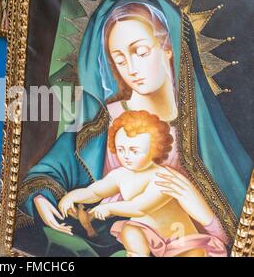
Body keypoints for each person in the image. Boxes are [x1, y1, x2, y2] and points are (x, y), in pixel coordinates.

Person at [15, 0, 252, 256]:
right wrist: (41, 197)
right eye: (119, 58)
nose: (131, 68)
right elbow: (51, 172)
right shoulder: (106, 120)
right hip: (112, 236)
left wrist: (198, 205)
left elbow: (234, 227)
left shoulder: (202, 128)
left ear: (168, 48)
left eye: (140, 51)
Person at [58, 110, 227, 257]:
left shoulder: (163, 177)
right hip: (148, 234)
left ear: (155, 149)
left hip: (181, 238)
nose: (125, 156)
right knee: (130, 230)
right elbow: (95, 192)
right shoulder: (120, 175)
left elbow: (139, 207)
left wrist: (109, 208)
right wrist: (72, 196)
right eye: (120, 149)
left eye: (134, 151)